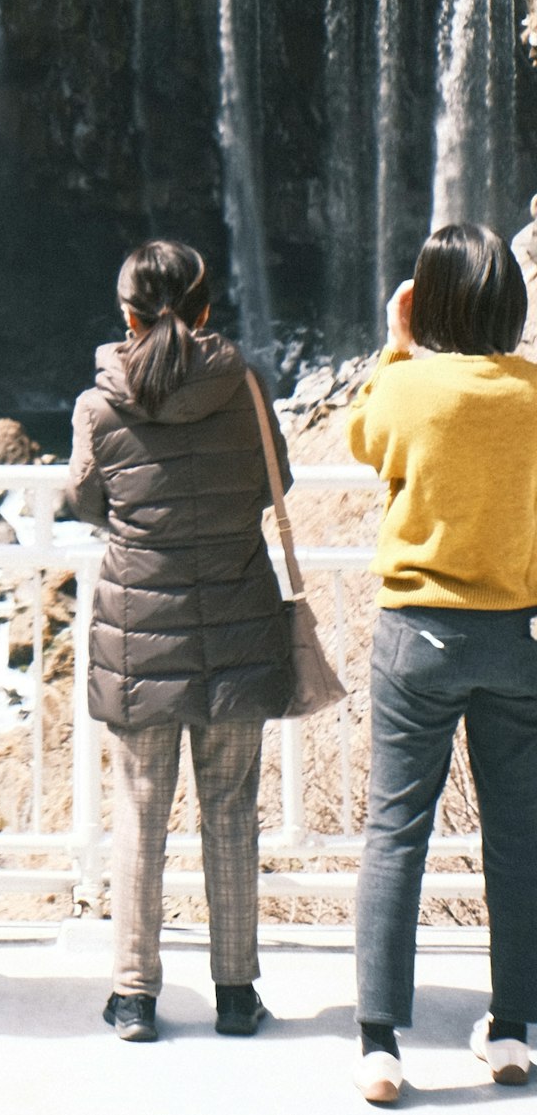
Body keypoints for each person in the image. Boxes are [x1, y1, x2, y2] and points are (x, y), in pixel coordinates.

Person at [64, 239, 293, 1045]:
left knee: (139, 811)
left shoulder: (100, 403)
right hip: (237, 627)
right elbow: (277, 485)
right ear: (206, 307)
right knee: (231, 811)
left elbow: (85, 499)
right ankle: (236, 994)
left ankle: (133, 996)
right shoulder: (248, 385)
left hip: (140, 635)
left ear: (127, 314)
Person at [348, 222, 537, 1108]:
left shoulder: (409, 387)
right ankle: (509, 1029)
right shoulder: (534, 392)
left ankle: (381, 1045)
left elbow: (360, 439)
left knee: (395, 834)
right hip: (517, 639)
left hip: (417, 636)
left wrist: (396, 344)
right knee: (520, 838)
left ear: (430, 302)